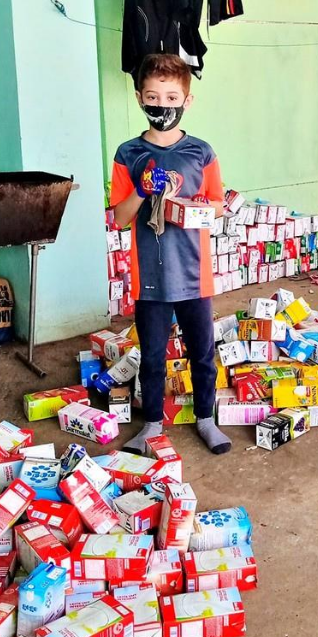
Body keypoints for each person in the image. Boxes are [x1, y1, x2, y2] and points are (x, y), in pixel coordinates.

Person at [107, 53, 228, 455]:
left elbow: (217, 205)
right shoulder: (128, 154)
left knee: (202, 353)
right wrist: (142, 190)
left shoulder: (201, 152)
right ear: (140, 98)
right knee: (153, 356)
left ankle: (206, 420)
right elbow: (120, 218)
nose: (163, 105)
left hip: (196, 274)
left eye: (172, 96)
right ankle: (152, 426)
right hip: (151, 278)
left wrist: (187, 205)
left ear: (186, 101)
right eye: (154, 96)